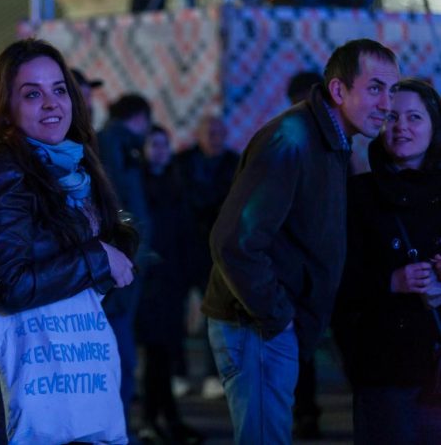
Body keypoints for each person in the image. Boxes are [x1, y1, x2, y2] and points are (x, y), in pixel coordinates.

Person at [202, 38, 399, 444]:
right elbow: (233, 241)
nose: (387, 104)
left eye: (392, 90)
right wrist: (278, 316)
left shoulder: (330, 140)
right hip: (256, 327)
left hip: (267, 325)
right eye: (375, 88)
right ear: (339, 90)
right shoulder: (293, 139)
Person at [0, 38, 137, 444]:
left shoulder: (74, 167)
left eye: (59, 90)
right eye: (32, 94)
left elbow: (107, 242)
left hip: (72, 361)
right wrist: (98, 257)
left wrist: (117, 247)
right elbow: (10, 285)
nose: (51, 104)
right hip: (22, 367)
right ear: (4, 108)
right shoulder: (3, 171)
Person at [333, 78, 441, 444]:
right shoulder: (357, 196)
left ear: (435, 126)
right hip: (384, 369)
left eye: (414, 117)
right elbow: (335, 278)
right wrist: (391, 281)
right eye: (391, 117)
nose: (401, 127)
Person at [136, 125, 204, 444]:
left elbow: (186, 235)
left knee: (164, 354)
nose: (160, 150)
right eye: (154, 144)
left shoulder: (177, 185)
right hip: (149, 282)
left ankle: (164, 418)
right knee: (156, 353)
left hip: (172, 280)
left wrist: (191, 283)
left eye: (164, 144)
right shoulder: (138, 186)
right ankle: (154, 419)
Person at [97, 92, 152, 430]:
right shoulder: (118, 145)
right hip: (120, 272)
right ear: (140, 118)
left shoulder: (113, 143)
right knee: (120, 358)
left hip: (122, 265)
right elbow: (123, 205)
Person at [175, 115, 239, 399]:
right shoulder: (182, 163)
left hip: (217, 252)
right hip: (184, 247)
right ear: (198, 135)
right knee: (174, 316)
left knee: (217, 315)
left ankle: (214, 374)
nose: (214, 137)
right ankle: (178, 374)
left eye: (218, 132)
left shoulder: (234, 163)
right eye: (209, 132)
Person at [286, 69, 327, 439]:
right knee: (304, 344)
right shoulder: (293, 142)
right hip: (306, 261)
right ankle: (305, 411)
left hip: (308, 260)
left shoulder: (291, 140)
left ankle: (305, 411)